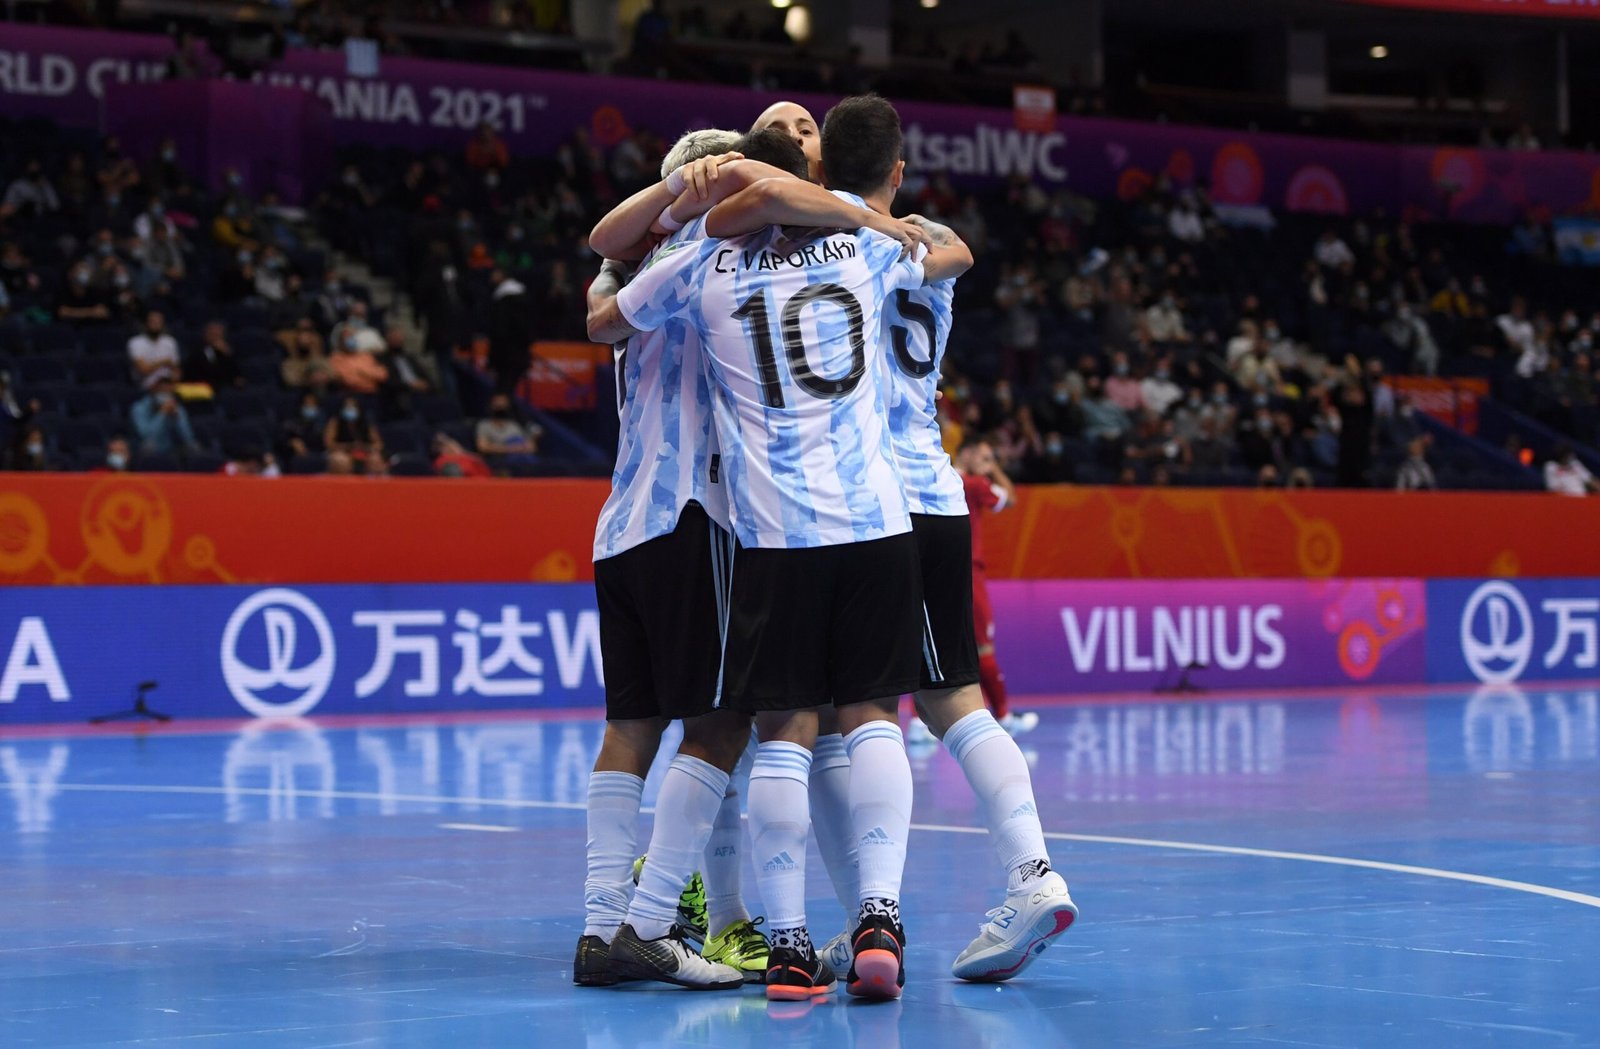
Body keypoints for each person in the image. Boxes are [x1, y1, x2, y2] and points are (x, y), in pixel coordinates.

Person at [589, 115, 967, 1003]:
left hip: (761, 534)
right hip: (871, 519)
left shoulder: (691, 267)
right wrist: (877, 219)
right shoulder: (862, 248)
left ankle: (785, 943)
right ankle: (876, 913)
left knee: (775, 730)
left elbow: (610, 315)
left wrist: (684, 213)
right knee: (871, 714)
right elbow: (948, 256)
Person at [823, 95, 1075, 985]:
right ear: (898, 173)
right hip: (935, 488)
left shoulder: (826, 250)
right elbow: (954, 246)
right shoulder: (932, 249)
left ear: (819, 175)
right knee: (948, 698)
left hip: (863, 501)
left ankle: (891, 915)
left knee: (862, 711)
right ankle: (1015, 875)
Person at [955, 436, 1038, 735]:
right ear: (969, 453)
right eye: (985, 457)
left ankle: (914, 722)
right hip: (970, 572)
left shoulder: (939, 479)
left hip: (935, 571)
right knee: (983, 646)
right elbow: (1011, 497)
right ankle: (1003, 716)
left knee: (934, 646)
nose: (987, 463)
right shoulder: (975, 485)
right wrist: (993, 471)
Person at [130, 377, 199, 455]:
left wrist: (177, 417)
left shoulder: (176, 407)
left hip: (172, 448)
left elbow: (188, 437)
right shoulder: (139, 408)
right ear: (153, 390)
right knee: (149, 445)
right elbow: (146, 435)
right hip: (150, 448)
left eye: (168, 391)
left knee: (193, 446)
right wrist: (162, 413)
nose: (165, 394)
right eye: (162, 390)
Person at [474, 393, 542, 472]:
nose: (500, 407)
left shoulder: (514, 426)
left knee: (526, 456)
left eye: (503, 405)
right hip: (498, 460)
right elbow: (483, 447)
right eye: (497, 404)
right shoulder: (484, 425)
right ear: (491, 406)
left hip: (520, 459)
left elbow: (530, 447)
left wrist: (530, 443)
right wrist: (512, 449)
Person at [323, 396, 383, 469]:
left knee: (376, 459)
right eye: (347, 407)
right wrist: (348, 446)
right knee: (341, 460)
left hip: (363, 451)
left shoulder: (366, 423)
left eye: (353, 407)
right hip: (342, 452)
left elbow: (378, 444)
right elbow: (329, 444)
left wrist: (365, 447)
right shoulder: (335, 422)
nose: (350, 409)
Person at [184, 322, 242, 390]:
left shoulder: (228, 353)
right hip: (203, 387)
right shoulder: (197, 352)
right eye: (212, 334)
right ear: (205, 334)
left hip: (224, 387)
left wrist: (227, 355)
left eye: (217, 335)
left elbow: (236, 374)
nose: (214, 337)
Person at [128, 310, 181, 385]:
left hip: (167, 385)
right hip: (146, 385)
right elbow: (144, 370)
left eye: (159, 322)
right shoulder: (135, 342)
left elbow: (176, 369)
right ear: (146, 324)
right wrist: (164, 362)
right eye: (153, 322)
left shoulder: (170, 342)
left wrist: (173, 381)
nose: (156, 324)